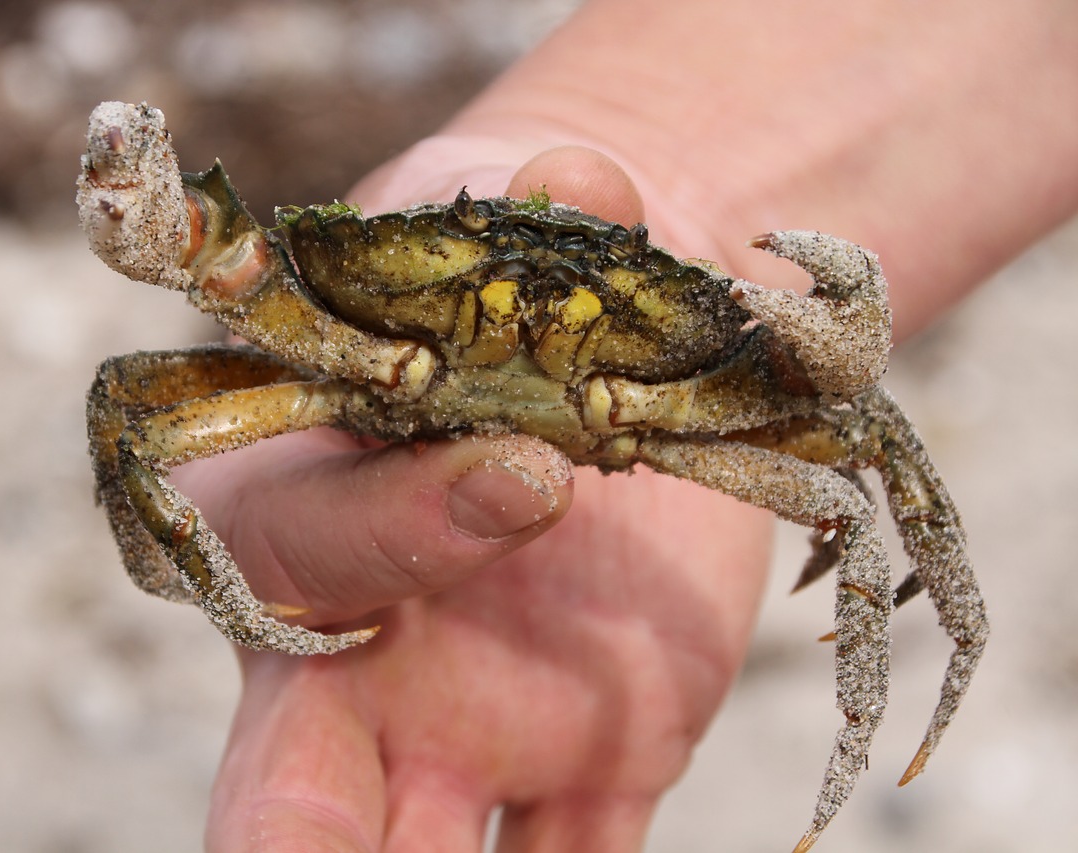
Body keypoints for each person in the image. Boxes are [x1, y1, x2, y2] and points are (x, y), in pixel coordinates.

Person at [168, 3, 1078, 850]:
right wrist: (172, 562)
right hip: (395, 396)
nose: (528, 305)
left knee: (863, 443)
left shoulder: (717, 386)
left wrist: (709, 224)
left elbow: (860, 410)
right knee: (128, 405)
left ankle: (856, 751)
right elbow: (155, 358)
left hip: (666, 401)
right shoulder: (321, 317)